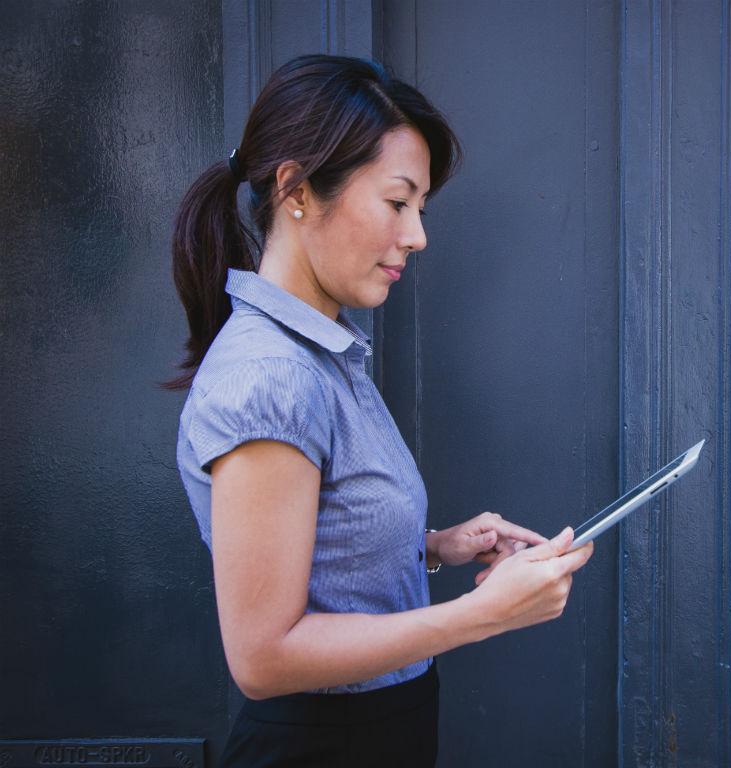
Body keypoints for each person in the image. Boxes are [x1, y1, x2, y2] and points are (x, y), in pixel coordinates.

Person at [168, 55, 593, 766]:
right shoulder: (272, 375)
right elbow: (264, 657)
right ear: (296, 189)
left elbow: (311, 542)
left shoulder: (320, 353)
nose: (418, 235)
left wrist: (429, 545)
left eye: (420, 209)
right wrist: (478, 616)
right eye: (398, 202)